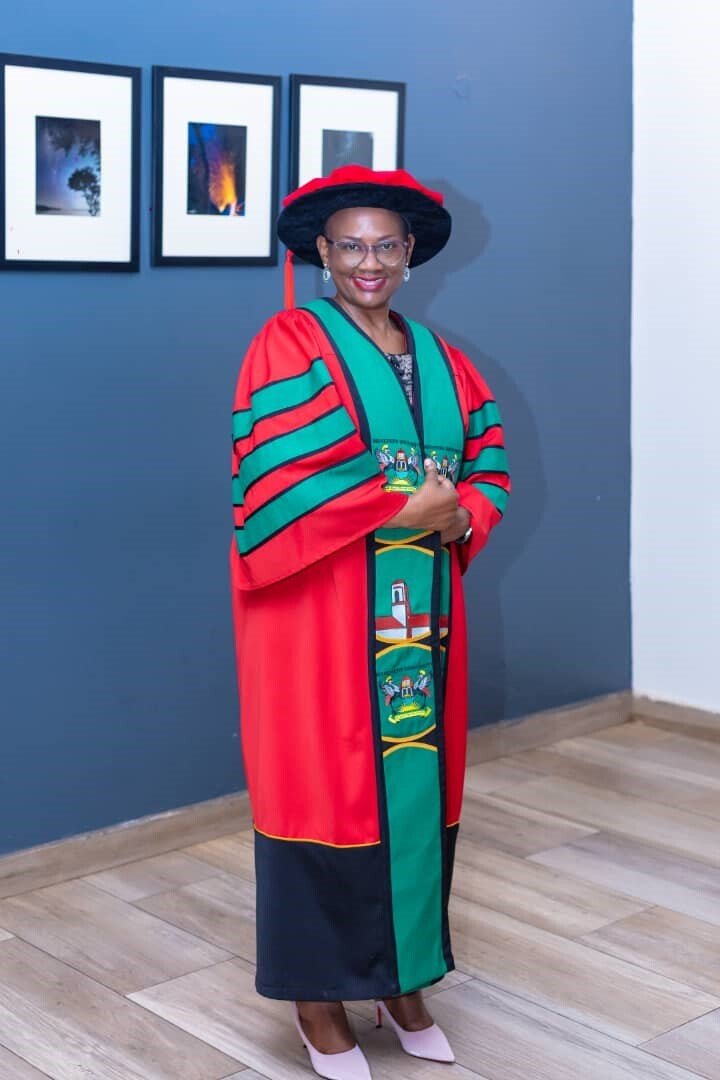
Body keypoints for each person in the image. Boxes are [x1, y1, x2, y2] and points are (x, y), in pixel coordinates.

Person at [230, 165, 510, 1080]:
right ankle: (318, 997)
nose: (369, 262)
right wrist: (409, 512)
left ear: (409, 253)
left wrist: (459, 515)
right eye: (350, 245)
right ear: (322, 252)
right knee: (322, 785)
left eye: (386, 245)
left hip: (419, 619)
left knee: (418, 792)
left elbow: (489, 465)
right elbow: (285, 477)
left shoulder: (441, 356)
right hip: (317, 615)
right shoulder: (289, 342)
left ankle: (400, 978)